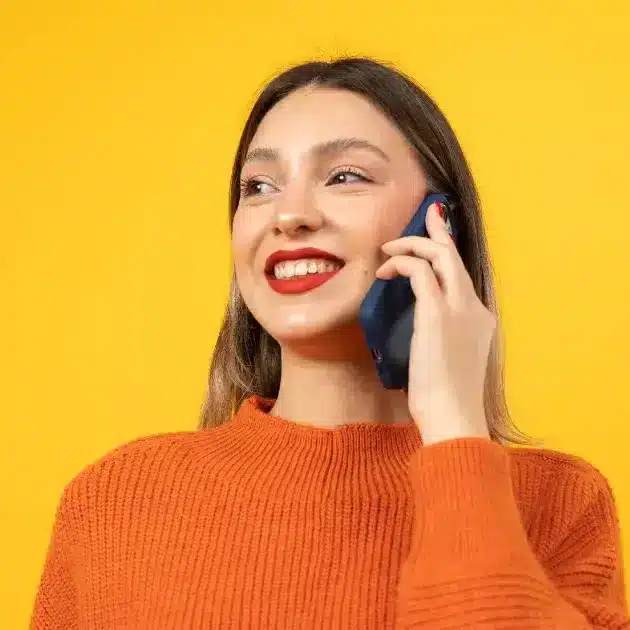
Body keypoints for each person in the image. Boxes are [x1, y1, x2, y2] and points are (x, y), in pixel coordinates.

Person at [31, 57, 629, 629]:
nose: (288, 215)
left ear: (439, 223)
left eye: (345, 176)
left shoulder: (557, 504)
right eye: (259, 186)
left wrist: (454, 432)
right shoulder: (115, 501)